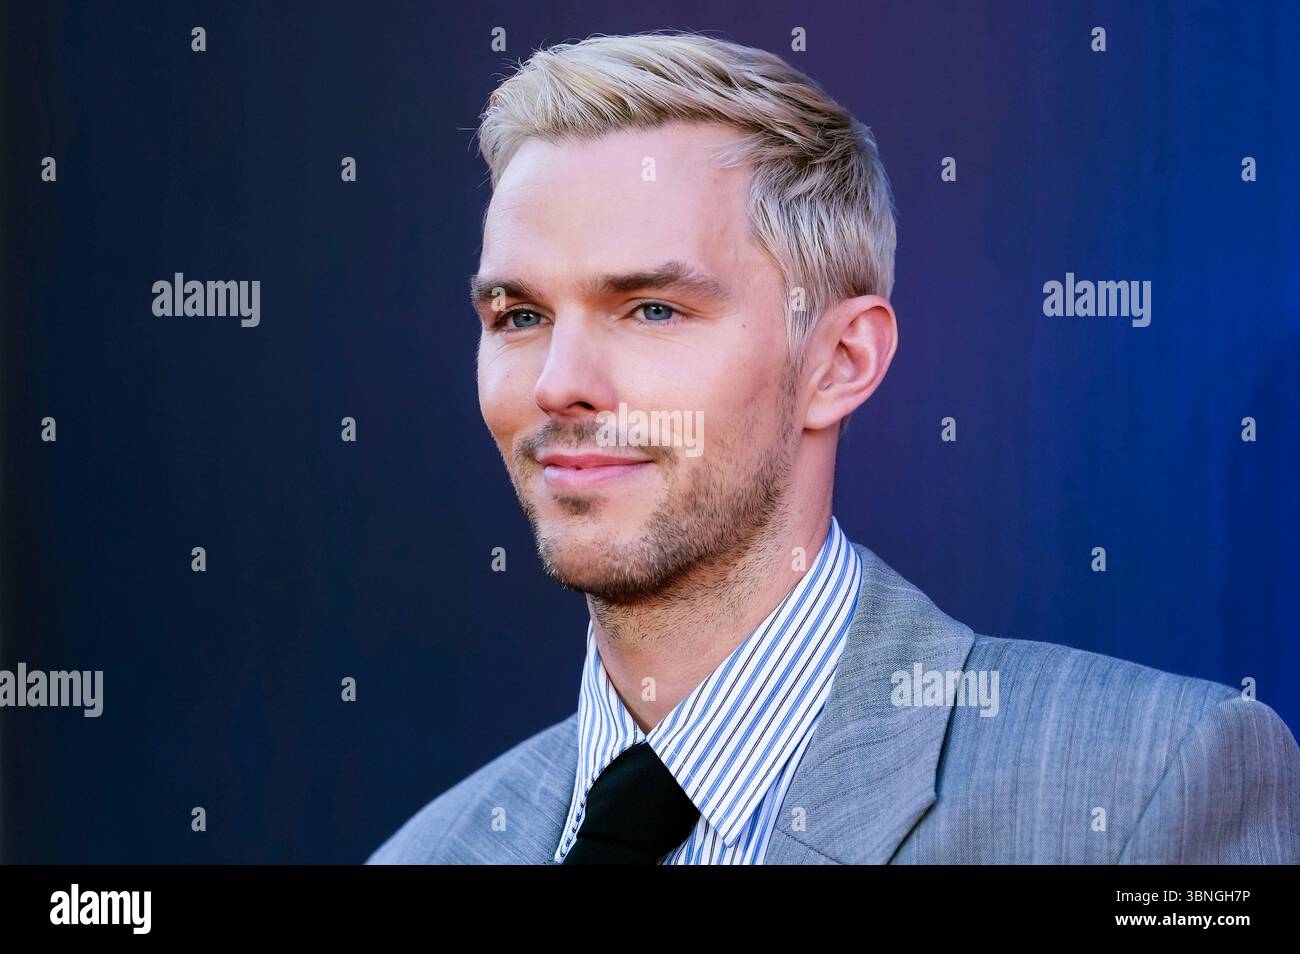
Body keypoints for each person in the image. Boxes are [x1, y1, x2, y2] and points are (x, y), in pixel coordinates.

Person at [368, 31, 1299, 864]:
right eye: (518, 314)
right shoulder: (433, 851)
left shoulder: (1149, 786)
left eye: (652, 308)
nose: (557, 382)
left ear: (839, 361)